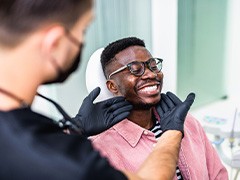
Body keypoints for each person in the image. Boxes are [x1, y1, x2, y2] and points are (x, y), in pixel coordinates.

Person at [0, 1, 194, 179]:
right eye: (82, 31)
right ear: (55, 42)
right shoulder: (68, 160)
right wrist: (172, 132)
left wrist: (74, 127)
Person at [87, 37, 228, 179]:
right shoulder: (101, 150)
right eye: (135, 69)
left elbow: (218, 175)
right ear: (112, 86)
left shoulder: (187, 123)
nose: (151, 74)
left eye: (153, 66)